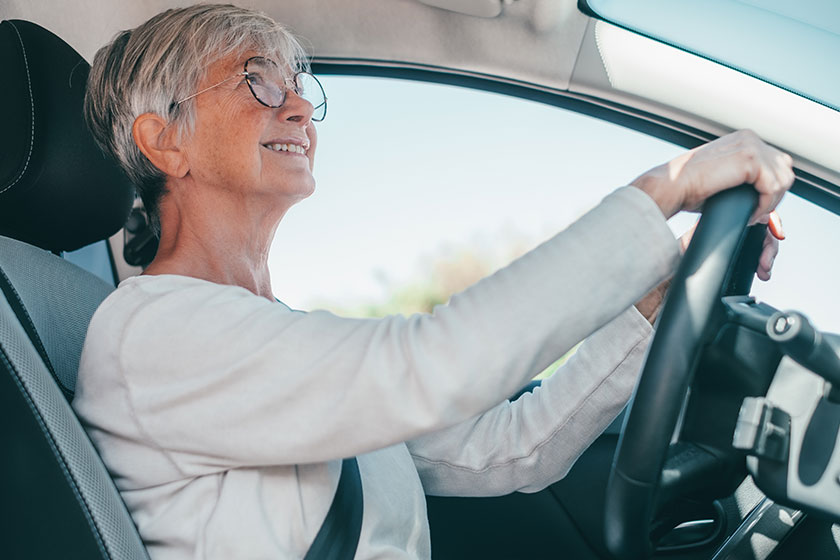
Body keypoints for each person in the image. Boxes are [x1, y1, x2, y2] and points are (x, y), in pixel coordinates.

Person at [72, 4, 793, 559]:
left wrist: (654, 299)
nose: (297, 107)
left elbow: (512, 447)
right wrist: (664, 189)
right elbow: (435, 362)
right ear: (164, 140)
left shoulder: (273, 342)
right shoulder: (153, 333)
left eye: (300, 87)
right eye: (257, 81)